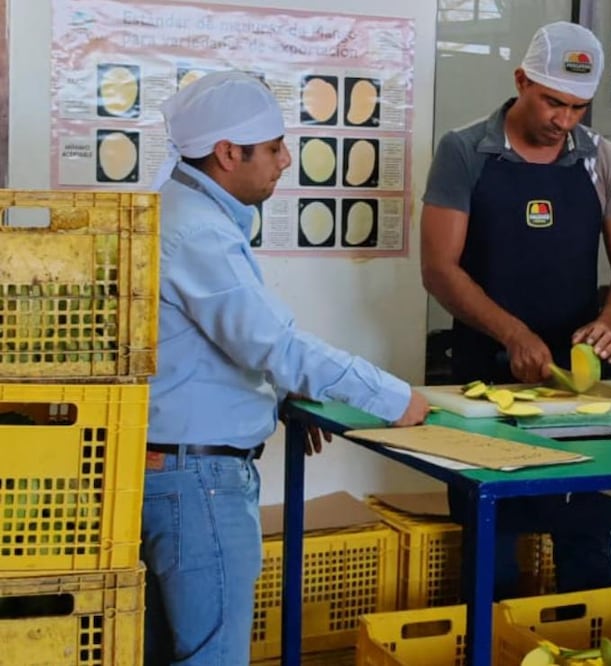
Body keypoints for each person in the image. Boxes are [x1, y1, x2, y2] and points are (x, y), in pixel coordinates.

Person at [142, 70, 429, 665]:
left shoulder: (185, 211)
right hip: (197, 481)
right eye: (273, 148)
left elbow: (210, 345)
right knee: (212, 656)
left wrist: (281, 398)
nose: (285, 161)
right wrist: (395, 398)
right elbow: (273, 344)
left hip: (182, 468)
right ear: (227, 153)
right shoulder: (195, 231)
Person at [420, 22, 611, 599]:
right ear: (521, 81)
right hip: (484, 389)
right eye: (552, 102)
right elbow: (440, 269)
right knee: (491, 556)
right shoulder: (464, 152)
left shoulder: (605, 161)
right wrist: (512, 334)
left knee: (588, 548)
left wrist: (608, 325)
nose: (563, 120)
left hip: (579, 397)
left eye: (577, 108)